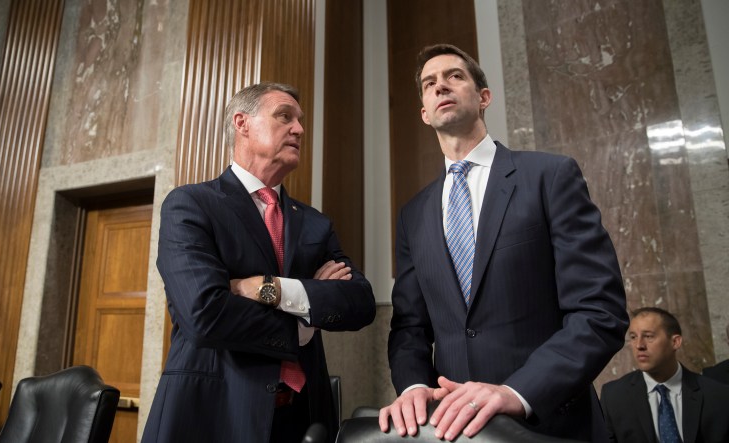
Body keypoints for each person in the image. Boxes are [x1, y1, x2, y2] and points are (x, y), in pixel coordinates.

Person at [378, 43, 629, 442]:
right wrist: (411, 388)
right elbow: (409, 326)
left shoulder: (549, 177)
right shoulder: (414, 214)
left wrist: (517, 391)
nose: (441, 85)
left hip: (552, 425)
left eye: (454, 76)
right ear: (424, 113)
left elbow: (599, 313)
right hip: (453, 430)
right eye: (430, 83)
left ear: (483, 98)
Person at [142, 82, 376, 443]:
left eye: (300, 121)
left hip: (303, 420)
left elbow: (360, 303)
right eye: (284, 116)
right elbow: (204, 314)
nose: (298, 129)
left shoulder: (315, 222)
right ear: (242, 123)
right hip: (212, 415)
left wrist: (275, 289)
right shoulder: (190, 204)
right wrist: (304, 323)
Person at [600, 307, 729, 442]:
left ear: (675, 342)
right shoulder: (613, 397)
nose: (639, 345)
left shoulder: (718, 395)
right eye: (633, 337)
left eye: (648, 336)